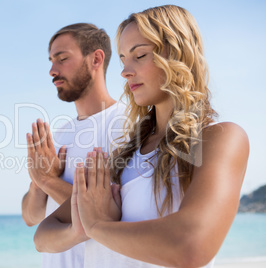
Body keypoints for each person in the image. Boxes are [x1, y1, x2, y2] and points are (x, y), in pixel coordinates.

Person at [34, 5, 249, 268]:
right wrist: (77, 231)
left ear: (178, 54)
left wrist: (96, 226)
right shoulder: (123, 154)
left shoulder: (220, 139)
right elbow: (43, 234)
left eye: (140, 55)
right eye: (124, 58)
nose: (125, 71)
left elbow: (191, 246)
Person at [21, 23, 126, 268]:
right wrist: (38, 183)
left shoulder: (125, 125)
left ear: (96, 59)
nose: (51, 70)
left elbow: (109, 211)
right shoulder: (60, 134)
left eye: (62, 58)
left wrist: (49, 181)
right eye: (50, 60)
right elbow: (31, 217)